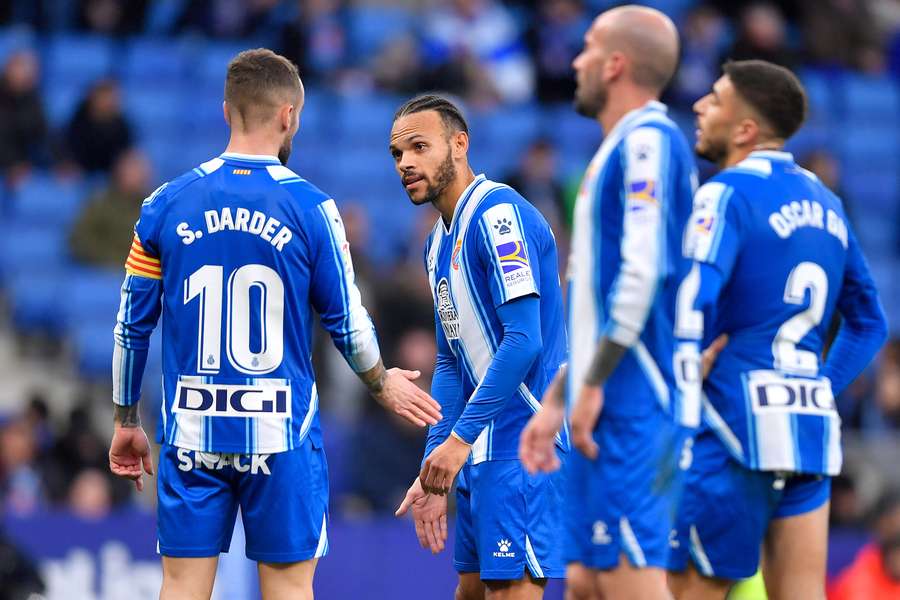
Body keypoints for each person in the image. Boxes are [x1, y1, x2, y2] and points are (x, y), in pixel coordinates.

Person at [106, 48, 442, 600]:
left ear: (226, 112)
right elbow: (347, 320)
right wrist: (382, 381)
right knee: (288, 589)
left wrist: (124, 416)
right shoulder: (312, 208)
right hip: (280, 432)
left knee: (182, 586)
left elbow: (129, 325)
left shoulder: (165, 204)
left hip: (192, 429)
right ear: (289, 116)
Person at [666, 59, 888, 600]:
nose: (699, 105)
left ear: (745, 130)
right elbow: (870, 322)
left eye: (715, 99)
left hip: (728, 429)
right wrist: (820, 387)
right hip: (807, 431)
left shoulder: (724, 194)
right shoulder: (825, 201)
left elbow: (692, 301)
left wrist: (679, 389)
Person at [518, 6, 698, 600]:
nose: (576, 60)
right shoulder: (622, 145)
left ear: (616, 64)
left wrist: (590, 385)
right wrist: (560, 395)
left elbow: (642, 274)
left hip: (633, 395)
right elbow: (599, 306)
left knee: (625, 574)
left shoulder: (647, 140)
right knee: (589, 581)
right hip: (607, 391)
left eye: (589, 47)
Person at [390, 94, 569, 599]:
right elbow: (450, 360)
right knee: (469, 591)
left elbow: (524, 340)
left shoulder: (499, 216)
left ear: (459, 144)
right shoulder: (434, 243)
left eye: (419, 147)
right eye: (397, 154)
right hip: (475, 448)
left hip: (522, 441)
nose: (405, 163)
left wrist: (459, 440)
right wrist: (434, 466)